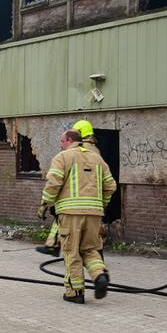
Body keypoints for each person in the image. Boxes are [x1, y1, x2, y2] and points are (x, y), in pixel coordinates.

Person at [39, 125, 117, 304]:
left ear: (69, 140)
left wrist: (44, 204)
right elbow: (111, 186)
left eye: (61, 141)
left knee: (71, 252)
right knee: (90, 249)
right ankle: (99, 276)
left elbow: (53, 183)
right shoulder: (97, 158)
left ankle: (75, 293)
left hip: (70, 214)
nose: (60, 144)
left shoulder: (63, 157)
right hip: (95, 214)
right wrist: (101, 205)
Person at [37, 120, 101, 257]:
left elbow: (59, 178)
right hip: (91, 197)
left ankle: (57, 247)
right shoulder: (94, 149)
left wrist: (45, 203)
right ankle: (52, 245)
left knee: (67, 223)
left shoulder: (81, 149)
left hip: (75, 195)